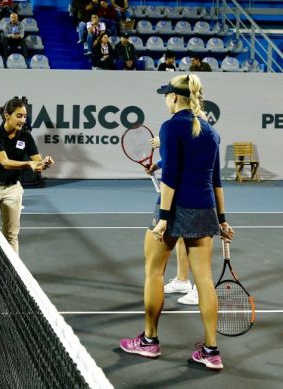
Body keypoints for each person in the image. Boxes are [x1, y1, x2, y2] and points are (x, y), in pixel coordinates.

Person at [120, 74, 235, 370]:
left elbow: (171, 179)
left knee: (154, 273)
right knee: (205, 280)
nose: (165, 99)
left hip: (174, 208)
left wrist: (164, 219)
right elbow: (215, 180)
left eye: (166, 95)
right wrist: (222, 220)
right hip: (204, 208)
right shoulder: (210, 131)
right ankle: (211, 350)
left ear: (174, 97)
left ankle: (149, 342)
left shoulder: (171, 127)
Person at [0, 97, 54, 253]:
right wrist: (28, 164)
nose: (23, 120)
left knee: (11, 235)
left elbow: (37, 163)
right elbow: (4, 162)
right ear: (7, 115)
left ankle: (11, 275)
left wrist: (44, 163)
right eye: (19, 115)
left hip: (13, 189)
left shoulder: (25, 137)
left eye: (24, 116)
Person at [148, 136, 198, 305]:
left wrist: (165, 142)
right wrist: (159, 164)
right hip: (182, 189)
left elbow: (189, 154)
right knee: (182, 237)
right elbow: (179, 154)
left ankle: (200, 290)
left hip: (191, 190)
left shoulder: (194, 125)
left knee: (194, 240)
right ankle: (182, 281)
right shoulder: (182, 124)